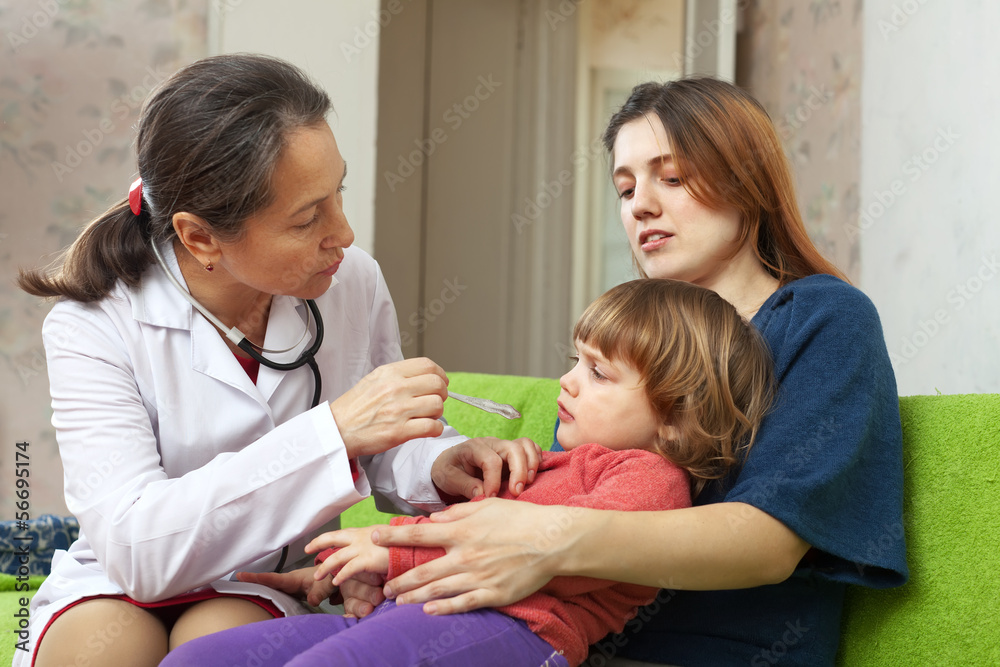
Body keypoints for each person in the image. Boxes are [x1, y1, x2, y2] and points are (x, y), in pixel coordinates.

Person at [349, 77, 909, 666]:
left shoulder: (824, 319)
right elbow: (573, 502)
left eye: (673, 178)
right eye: (625, 188)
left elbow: (768, 542)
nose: (639, 204)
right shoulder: (627, 345)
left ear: (747, 182)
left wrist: (544, 538)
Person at [14, 54, 538, 667]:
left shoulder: (351, 281)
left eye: (338, 193)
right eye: (307, 218)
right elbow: (138, 553)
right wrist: (333, 431)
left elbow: (383, 447)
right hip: (118, 579)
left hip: (262, 578)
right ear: (200, 237)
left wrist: (439, 463)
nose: (343, 233)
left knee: (216, 642)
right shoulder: (92, 324)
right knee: (104, 647)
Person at [159, 278, 777, 667]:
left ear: (676, 420)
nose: (566, 381)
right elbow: (455, 539)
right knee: (199, 660)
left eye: (598, 373)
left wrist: (387, 551)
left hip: (515, 633)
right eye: (575, 361)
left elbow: (546, 555)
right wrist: (356, 573)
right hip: (418, 614)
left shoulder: (650, 479)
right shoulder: (546, 462)